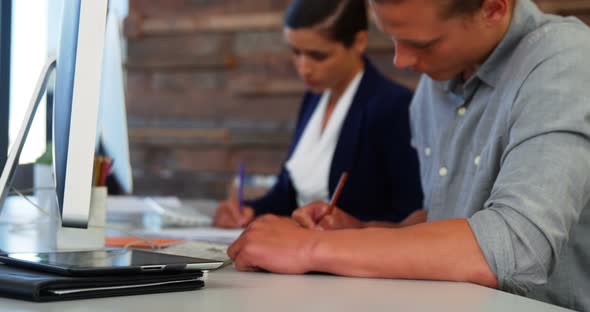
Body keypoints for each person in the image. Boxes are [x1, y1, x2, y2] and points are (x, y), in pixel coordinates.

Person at [227, 0, 590, 310]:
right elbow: (443, 215)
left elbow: (518, 247)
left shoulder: (566, 64)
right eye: (393, 39)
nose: (401, 60)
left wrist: (314, 247)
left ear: (493, 8)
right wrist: (364, 231)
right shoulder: (436, 84)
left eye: (424, 43)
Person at [214, 0, 424, 229]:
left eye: (318, 56)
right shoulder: (315, 97)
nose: (303, 67)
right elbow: (287, 196)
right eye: (296, 52)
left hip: (352, 258)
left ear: (359, 42)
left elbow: (411, 216)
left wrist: (355, 227)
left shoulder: (392, 105)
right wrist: (248, 211)